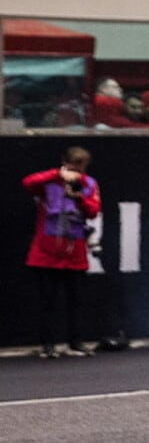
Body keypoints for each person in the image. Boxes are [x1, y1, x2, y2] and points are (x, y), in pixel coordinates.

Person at [22, 146, 100, 358]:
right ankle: (48, 344)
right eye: (73, 167)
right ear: (65, 163)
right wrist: (58, 175)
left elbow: (93, 211)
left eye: (81, 168)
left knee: (75, 301)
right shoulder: (48, 181)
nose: (77, 173)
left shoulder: (89, 184)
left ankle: (75, 342)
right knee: (48, 301)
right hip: (46, 250)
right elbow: (28, 183)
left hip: (74, 250)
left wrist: (78, 197)